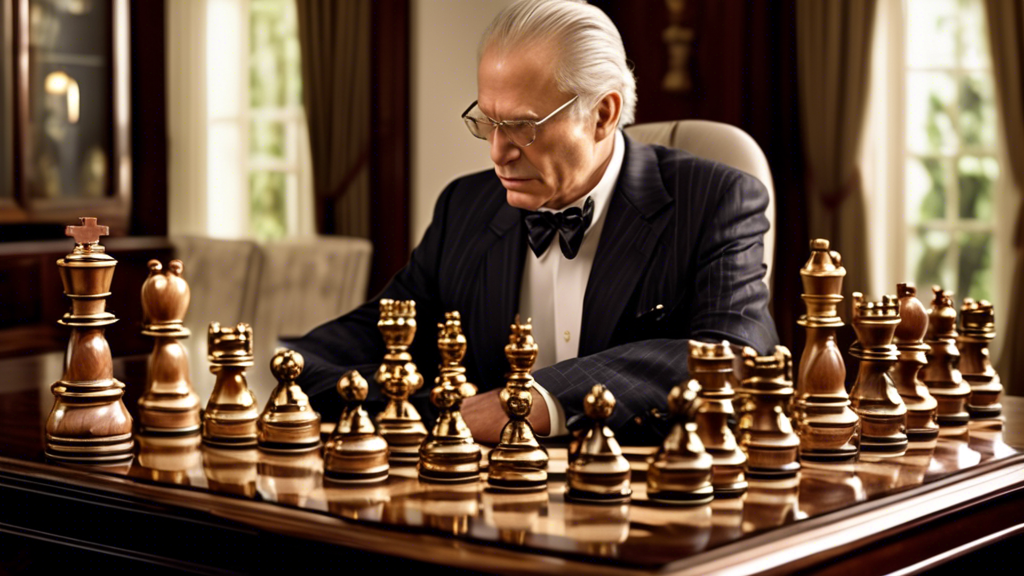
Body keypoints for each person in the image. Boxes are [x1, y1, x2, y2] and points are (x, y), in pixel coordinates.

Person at [284, 0, 778, 444]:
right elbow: (370, 338)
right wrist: (282, 363)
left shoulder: (716, 200)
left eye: (522, 125)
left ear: (602, 115)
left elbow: (734, 357)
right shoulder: (466, 206)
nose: (498, 153)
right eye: (487, 121)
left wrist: (533, 403)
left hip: (644, 505)